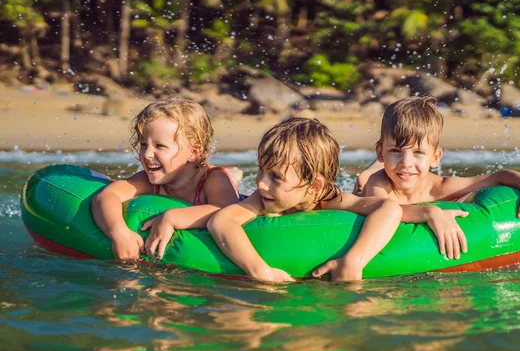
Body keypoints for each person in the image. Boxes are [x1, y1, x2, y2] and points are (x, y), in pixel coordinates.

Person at [207, 117, 468, 282]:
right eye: (261, 170)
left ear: (315, 186)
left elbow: (387, 208)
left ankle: (367, 176)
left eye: (275, 177)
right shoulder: (263, 197)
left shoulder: (330, 198)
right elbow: (221, 221)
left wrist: (355, 260)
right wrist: (259, 270)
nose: (261, 182)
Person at [355, 96, 520, 260]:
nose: (406, 162)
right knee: (364, 180)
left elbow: (499, 177)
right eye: (396, 151)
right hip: (374, 184)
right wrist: (429, 212)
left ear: (435, 157)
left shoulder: (442, 188)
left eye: (418, 153)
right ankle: (373, 167)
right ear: (380, 152)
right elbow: (384, 210)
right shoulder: (378, 183)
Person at [92, 96, 241, 260]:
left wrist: (171, 218)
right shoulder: (148, 180)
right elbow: (106, 196)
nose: (147, 154)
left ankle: (234, 175)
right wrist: (119, 233)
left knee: (228, 181)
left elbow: (229, 212)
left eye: (160, 146)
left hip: (215, 186)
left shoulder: (213, 179)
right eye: (143, 145)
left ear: (193, 152)